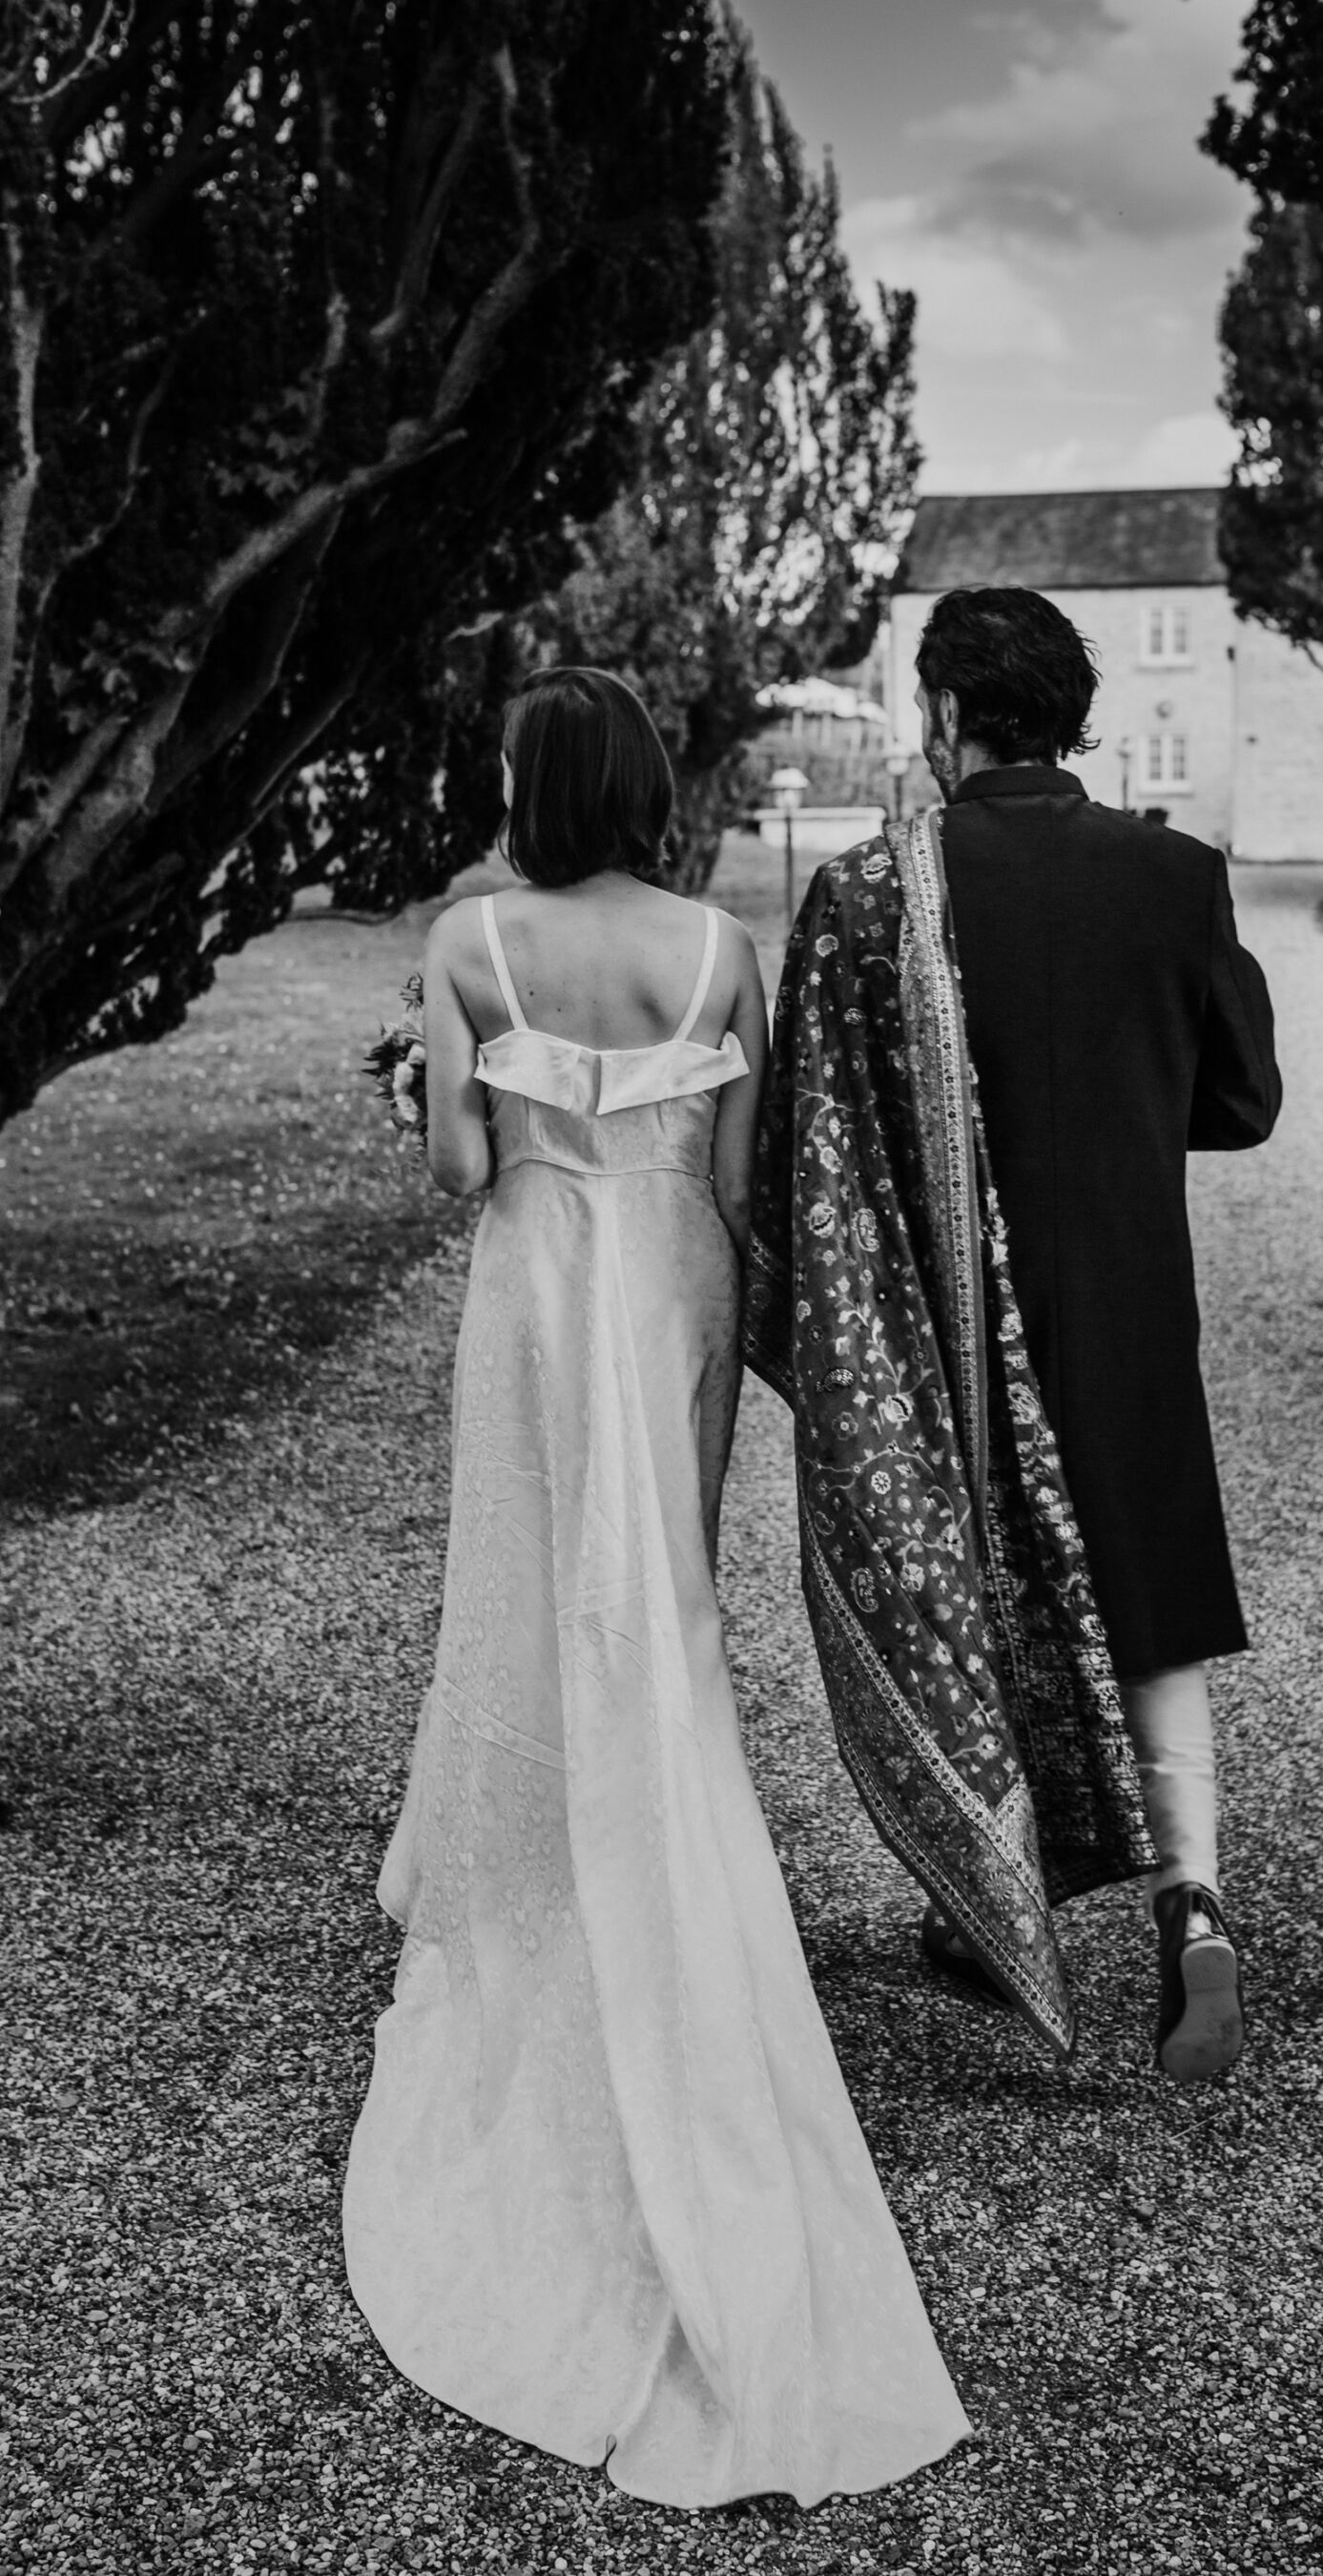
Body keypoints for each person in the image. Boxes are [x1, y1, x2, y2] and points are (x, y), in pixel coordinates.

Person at [343, 667, 969, 2508]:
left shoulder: (472, 939)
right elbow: (736, 1170)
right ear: (651, 786)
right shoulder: (721, 948)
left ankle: (538, 1859)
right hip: (671, 1275)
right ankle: (654, 1801)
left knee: (533, 1574)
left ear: (535, 784)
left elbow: (462, 1165)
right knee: (659, 1598)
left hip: (538, 1277)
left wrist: (436, 1086)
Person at [746, 589, 1279, 2081]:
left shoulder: (865, 895)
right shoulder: (1177, 875)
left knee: (969, 1594)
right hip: (1122, 1299)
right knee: (1149, 1607)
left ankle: (992, 1902)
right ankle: (1193, 1911)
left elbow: (812, 1150)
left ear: (944, 719)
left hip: (931, 1328)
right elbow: (1243, 1104)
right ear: (1074, 717)